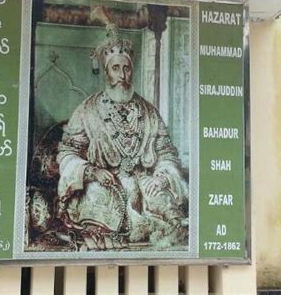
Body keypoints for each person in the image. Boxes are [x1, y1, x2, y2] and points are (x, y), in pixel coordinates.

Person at [56, 14, 188, 251]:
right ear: (106, 72)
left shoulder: (148, 111)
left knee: (161, 199)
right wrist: (92, 171)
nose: (122, 75)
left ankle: (174, 224)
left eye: (126, 68)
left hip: (142, 179)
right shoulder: (87, 110)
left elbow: (166, 151)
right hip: (103, 183)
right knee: (99, 196)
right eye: (115, 68)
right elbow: (67, 152)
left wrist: (160, 177)